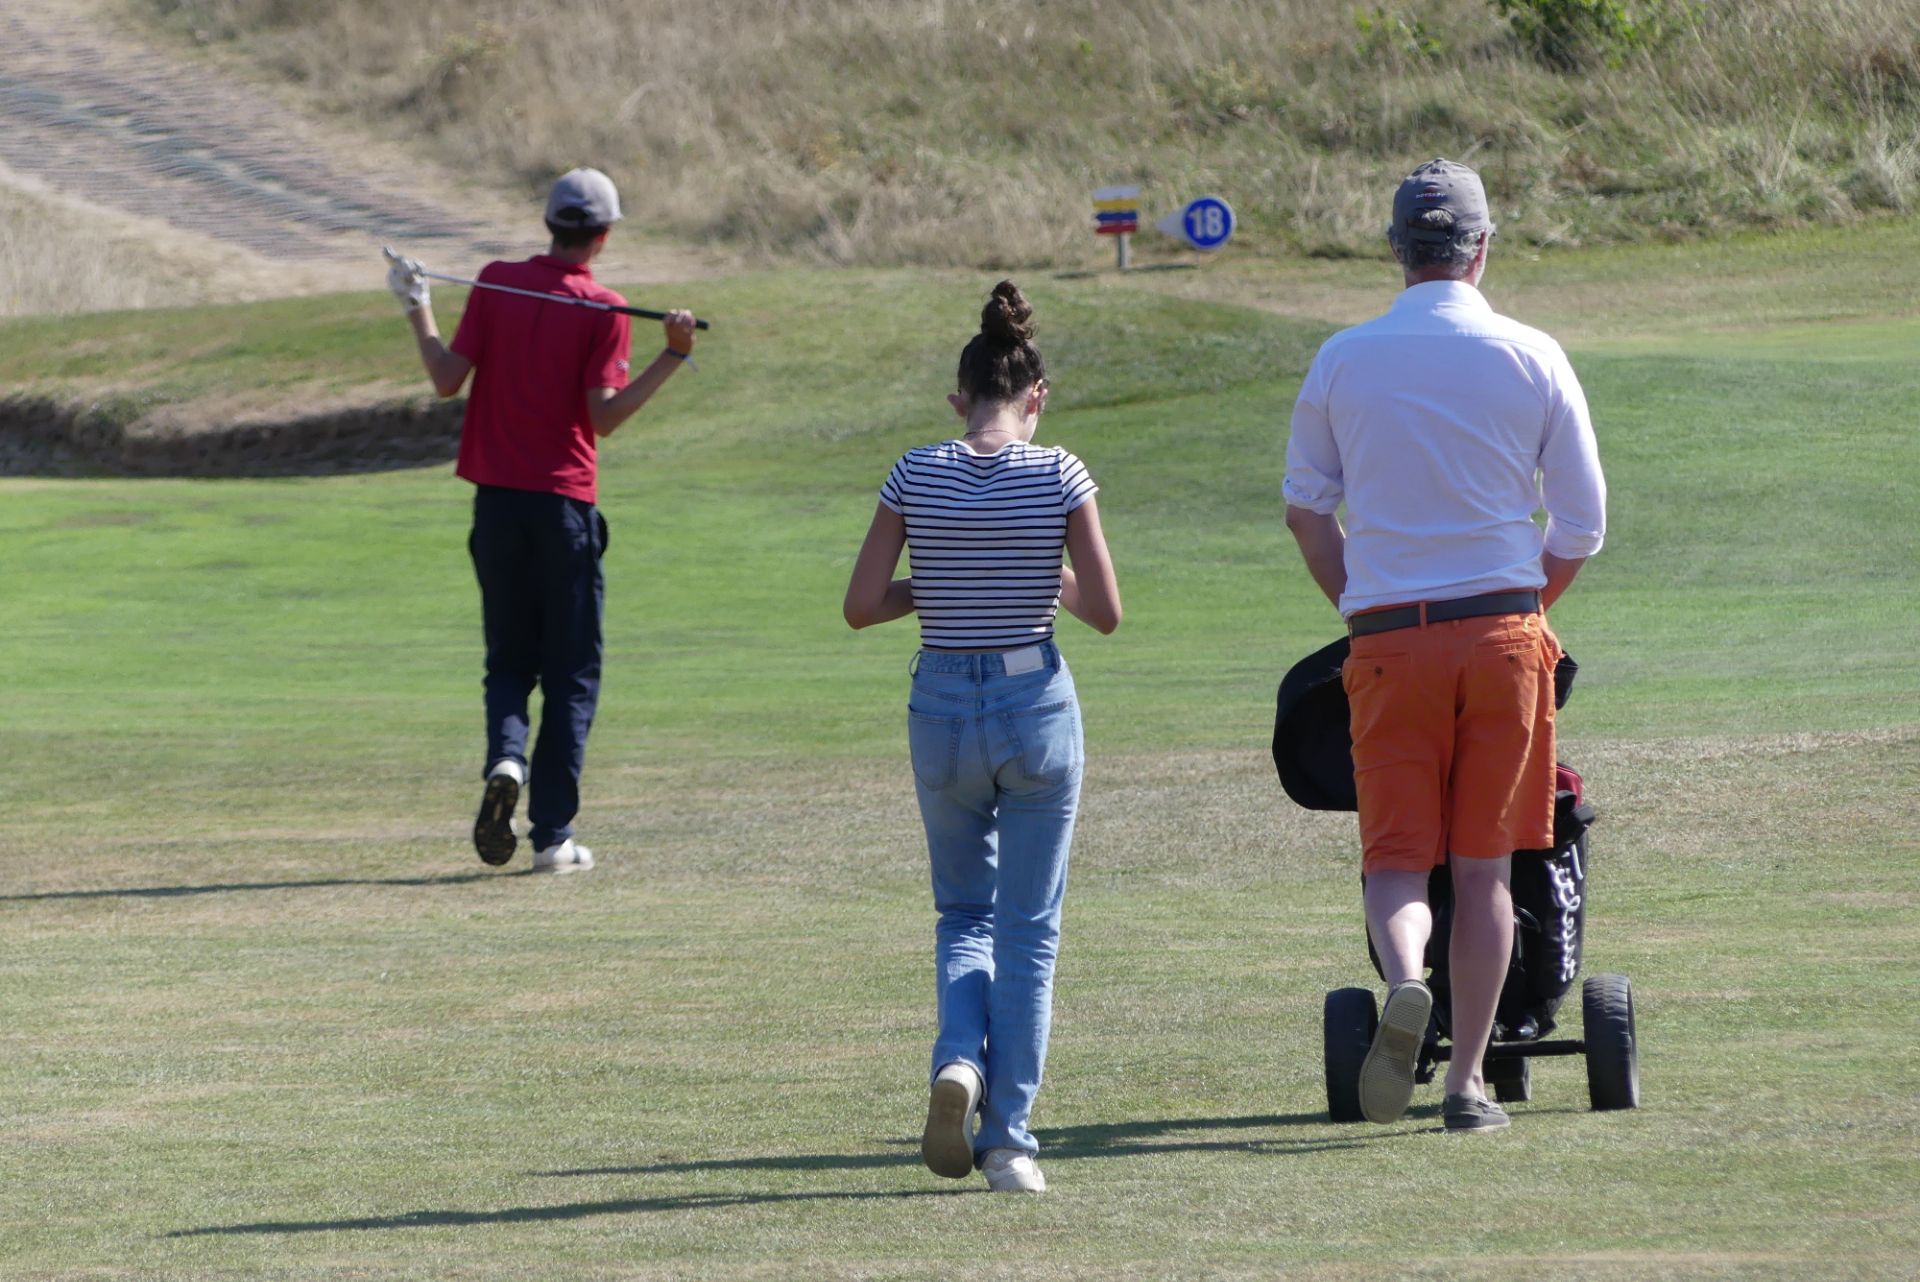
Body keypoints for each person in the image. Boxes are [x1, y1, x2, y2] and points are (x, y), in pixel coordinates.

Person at [1283, 159, 1606, 1132]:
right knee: (1484, 868)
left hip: (1390, 638)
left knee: (1395, 862)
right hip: (1503, 635)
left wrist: (1362, 608)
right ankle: (1466, 1083)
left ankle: (1407, 983)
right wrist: (1525, 610)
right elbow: (1582, 524)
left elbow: (1307, 513)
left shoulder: (1343, 357)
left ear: (1397, 248)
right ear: (1481, 247)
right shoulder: (1532, 352)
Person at [843, 282, 1121, 1192]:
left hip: (940, 701)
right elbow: (1105, 610)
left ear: (958, 398)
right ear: (1036, 396)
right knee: (1028, 930)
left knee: (964, 914)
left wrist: (944, 577)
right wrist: (1035, 572)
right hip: (1032, 699)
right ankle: (1008, 1142)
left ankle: (960, 1059)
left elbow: (861, 606)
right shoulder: (1061, 473)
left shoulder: (914, 472)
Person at [387, 167, 697, 874]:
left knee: (507, 660)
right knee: (571, 674)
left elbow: (445, 379)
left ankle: (507, 758)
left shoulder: (497, 281)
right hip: (563, 509)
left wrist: (417, 304)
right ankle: (552, 837)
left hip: (496, 507)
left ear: (550, 224)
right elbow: (605, 417)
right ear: (604, 236)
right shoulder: (604, 306)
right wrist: (674, 356)